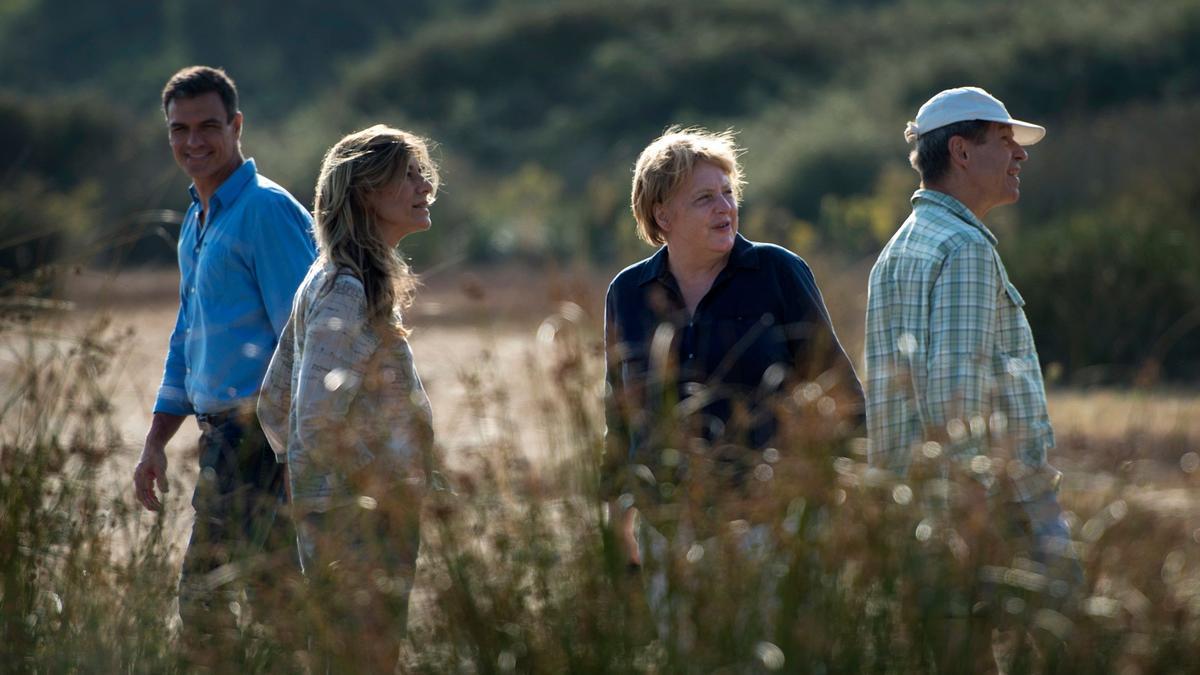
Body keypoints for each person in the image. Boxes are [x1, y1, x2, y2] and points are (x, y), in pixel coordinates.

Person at [603, 126, 863, 638]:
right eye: (704, 198)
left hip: (768, 524)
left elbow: (839, 391)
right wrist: (616, 515)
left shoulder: (777, 272)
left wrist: (843, 504)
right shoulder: (627, 293)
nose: (724, 207)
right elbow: (620, 412)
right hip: (666, 525)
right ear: (662, 215)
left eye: (728, 193)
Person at [864, 86, 1080, 668]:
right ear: (961, 152)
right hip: (989, 505)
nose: (1021, 155)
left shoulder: (899, 249)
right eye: (1004, 140)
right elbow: (955, 403)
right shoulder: (964, 249)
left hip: (916, 511)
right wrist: (983, 520)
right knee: (1077, 637)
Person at [131, 66, 316, 640]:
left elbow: (306, 339)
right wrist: (157, 441)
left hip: (263, 436)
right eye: (179, 129)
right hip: (220, 436)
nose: (194, 142)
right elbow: (188, 338)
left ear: (237, 125)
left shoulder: (265, 210)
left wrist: (296, 455)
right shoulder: (195, 220)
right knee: (274, 602)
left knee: (206, 599)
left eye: (209, 126)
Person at [257, 124, 438, 670]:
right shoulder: (345, 288)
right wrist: (369, 500)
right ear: (366, 191)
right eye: (407, 175)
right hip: (358, 527)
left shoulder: (341, 277)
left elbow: (272, 400)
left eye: (422, 172)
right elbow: (310, 421)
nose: (424, 185)